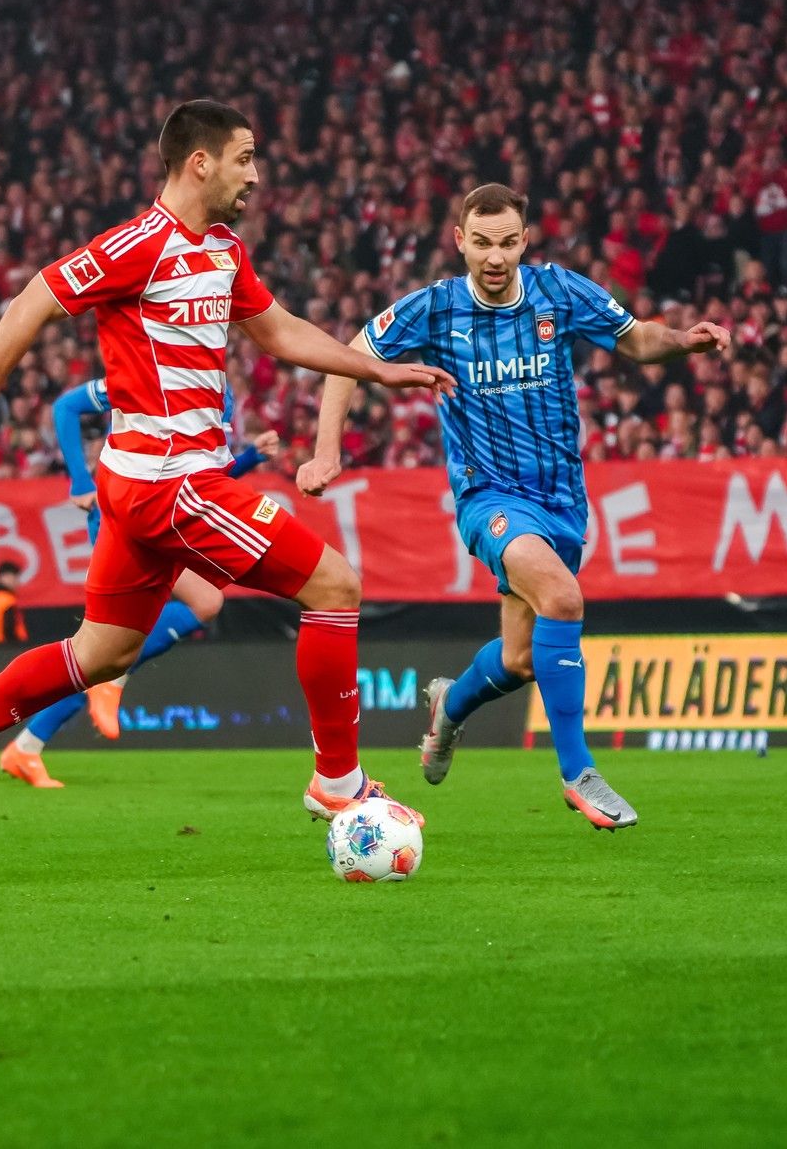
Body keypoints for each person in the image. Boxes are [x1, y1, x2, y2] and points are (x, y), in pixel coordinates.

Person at [0, 99, 454, 841]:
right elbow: (34, 298)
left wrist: (382, 372)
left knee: (101, 651)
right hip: (171, 482)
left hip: (142, 484)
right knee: (335, 583)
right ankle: (337, 782)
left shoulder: (222, 251)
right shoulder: (137, 245)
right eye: (245, 158)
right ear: (200, 162)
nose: (256, 175)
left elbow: (280, 332)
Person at [299, 183, 731, 831]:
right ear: (460, 241)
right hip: (490, 499)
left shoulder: (560, 291)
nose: (494, 257)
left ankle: (451, 706)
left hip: (561, 499)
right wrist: (325, 449)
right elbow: (348, 359)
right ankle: (578, 773)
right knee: (562, 597)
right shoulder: (437, 309)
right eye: (481, 243)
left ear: (524, 240)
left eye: (506, 242)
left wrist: (684, 341)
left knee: (523, 657)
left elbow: (636, 339)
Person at [0, 372, 280, 789]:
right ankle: (38, 731)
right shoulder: (154, 372)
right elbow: (65, 406)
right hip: (121, 514)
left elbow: (202, 482)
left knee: (108, 651)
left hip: (162, 517)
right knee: (193, 608)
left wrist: (251, 456)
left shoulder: (217, 389)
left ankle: (27, 746)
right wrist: (79, 478)